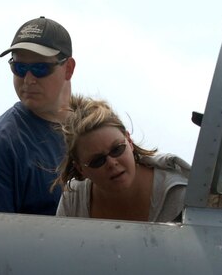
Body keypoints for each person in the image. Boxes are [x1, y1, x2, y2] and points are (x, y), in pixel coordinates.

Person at [0, 16, 76, 214]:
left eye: (40, 68)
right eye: (19, 68)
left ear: (69, 68)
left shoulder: (96, 130)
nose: (28, 79)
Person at [53, 95, 189, 222]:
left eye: (117, 149)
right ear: (81, 169)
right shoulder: (73, 201)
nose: (111, 163)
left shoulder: (179, 193)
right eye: (97, 161)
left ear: (129, 141)